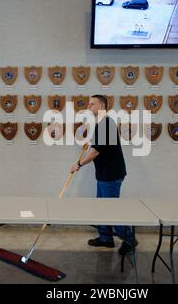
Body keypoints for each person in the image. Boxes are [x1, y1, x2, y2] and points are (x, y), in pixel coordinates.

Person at [70, 94, 138, 255]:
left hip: (111, 175)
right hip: (104, 173)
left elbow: (94, 153)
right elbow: (98, 146)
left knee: (111, 210)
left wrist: (78, 165)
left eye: (92, 104)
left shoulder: (106, 124)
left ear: (101, 106)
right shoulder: (102, 124)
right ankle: (106, 238)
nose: (88, 106)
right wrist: (90, 144)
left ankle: (129, 238)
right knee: (101, 207)